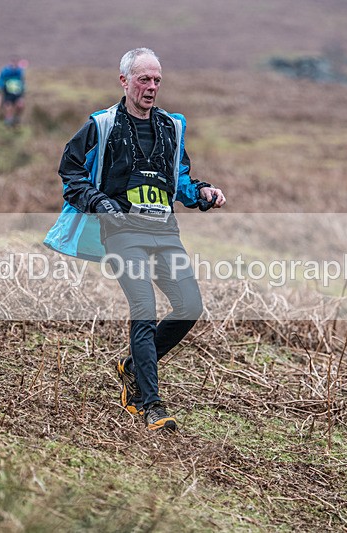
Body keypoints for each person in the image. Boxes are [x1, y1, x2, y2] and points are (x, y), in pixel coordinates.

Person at [44, 48, 226, 431]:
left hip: (165, 233)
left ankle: (131, 366)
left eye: (157, 79)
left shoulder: (170, 128)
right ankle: (150, 405)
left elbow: (180, 181)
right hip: (122, 233)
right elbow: (70, 171)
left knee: (189, 305)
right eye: (144, 79)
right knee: (143, 307)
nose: (152, 86)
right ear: (124, 81)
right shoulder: (102, 125)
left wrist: (204, 193)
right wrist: (99, 202)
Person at [0, 57, 27, 127]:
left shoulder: (20, 72)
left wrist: (23, 88)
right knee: (8, 106)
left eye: (16, 64)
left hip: (18, 92)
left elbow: (22, 81)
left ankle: (17, 117)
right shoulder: (5, 71)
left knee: (20, 105)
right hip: (8, 92)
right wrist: (1, 86)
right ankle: (8, 120)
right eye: (13, 63)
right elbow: (0, 80)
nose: (14, 65)